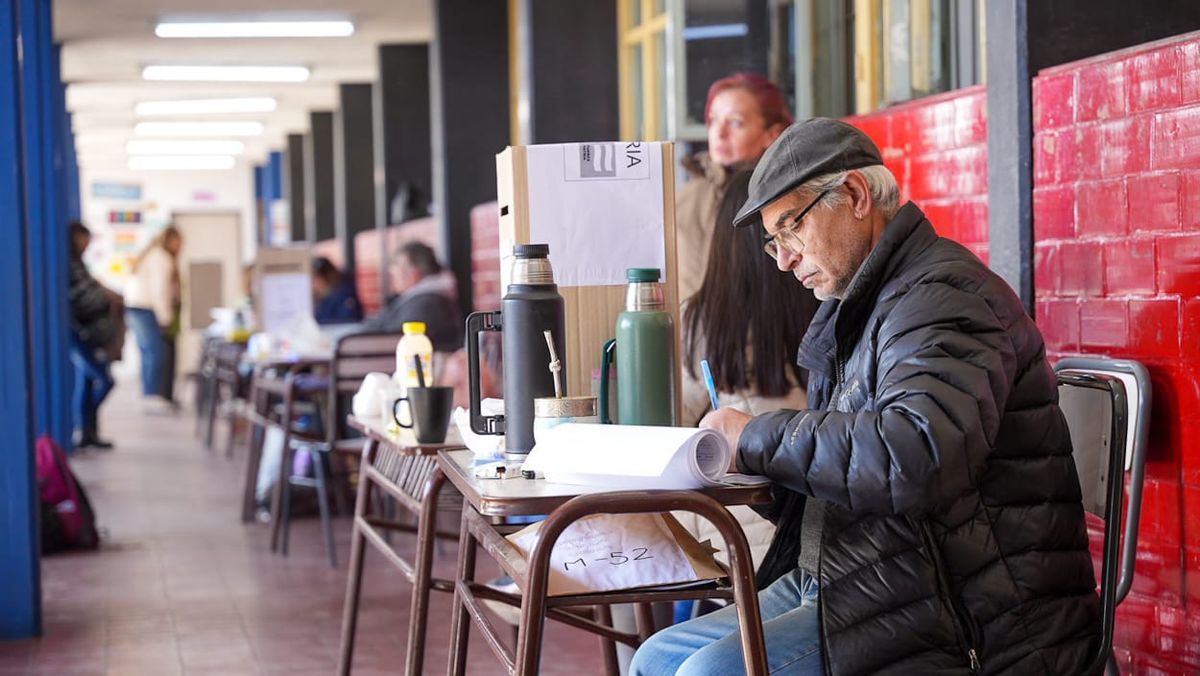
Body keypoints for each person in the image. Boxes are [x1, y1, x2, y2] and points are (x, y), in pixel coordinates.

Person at [632, 119, 1100, 675]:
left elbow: (915, 455)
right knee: (657, 657)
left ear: (854, 195)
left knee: (705, 674)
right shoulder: (864, 301)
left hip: (961, 614)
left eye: (791, 230)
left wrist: (755, 435)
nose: (783, 260)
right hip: (862, 576)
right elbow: (855, 469)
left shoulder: (942, 295)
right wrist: (752, 466)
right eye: (772, 242)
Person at [674, 167, 821, 569]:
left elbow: (675, 421)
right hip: (821, 531)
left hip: (733, 536)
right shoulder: (826, 300)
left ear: (724, 240)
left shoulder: (706, 317)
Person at [676, 73, 791, 301]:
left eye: (736, 122)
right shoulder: (685, 198)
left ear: (772, 134)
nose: (719, 133)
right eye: (714, 120)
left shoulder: (789, 197)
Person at [67, 222, 123, 449]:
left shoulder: (77, 263)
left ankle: (88, 432)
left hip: (86, 333)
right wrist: (107, 297)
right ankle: (83, 426)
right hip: (81, 332)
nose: (87, 244)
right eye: (84, 239)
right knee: (103, 379)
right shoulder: (71, 265)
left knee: (89, 381)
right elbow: (86, 298)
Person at [361, 241, 463, 351]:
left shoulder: (427, 303)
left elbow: (394, 340)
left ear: (414, 271)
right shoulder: (421, 298)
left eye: (397, 266)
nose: (393, 273)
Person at [125, 226, 182, 409]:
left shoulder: (151, 255)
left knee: (147, 353)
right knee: (156, 353)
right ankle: (152, 396)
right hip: (146, 308)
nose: (180, 246)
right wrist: (165, 319)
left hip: (136, 307)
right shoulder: (161, 258)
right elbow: (160, 292)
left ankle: (149, 394)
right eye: (177, 241)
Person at [311, 256, 363, 324]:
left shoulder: (344, 297)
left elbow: (346, 324)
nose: (312, 284)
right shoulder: (322, 299)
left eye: (315, 278)